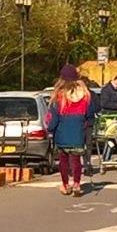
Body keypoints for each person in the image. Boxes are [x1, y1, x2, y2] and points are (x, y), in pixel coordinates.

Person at [44, 64, 94, 197]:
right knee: (76, 160)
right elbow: (90, 115)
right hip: (78, 132)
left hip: (62, 133)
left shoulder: (59, 96)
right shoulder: (85, 95)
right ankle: (77, 183)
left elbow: (53, 118)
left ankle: (65, 185)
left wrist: (50, 129)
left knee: (63, 161)